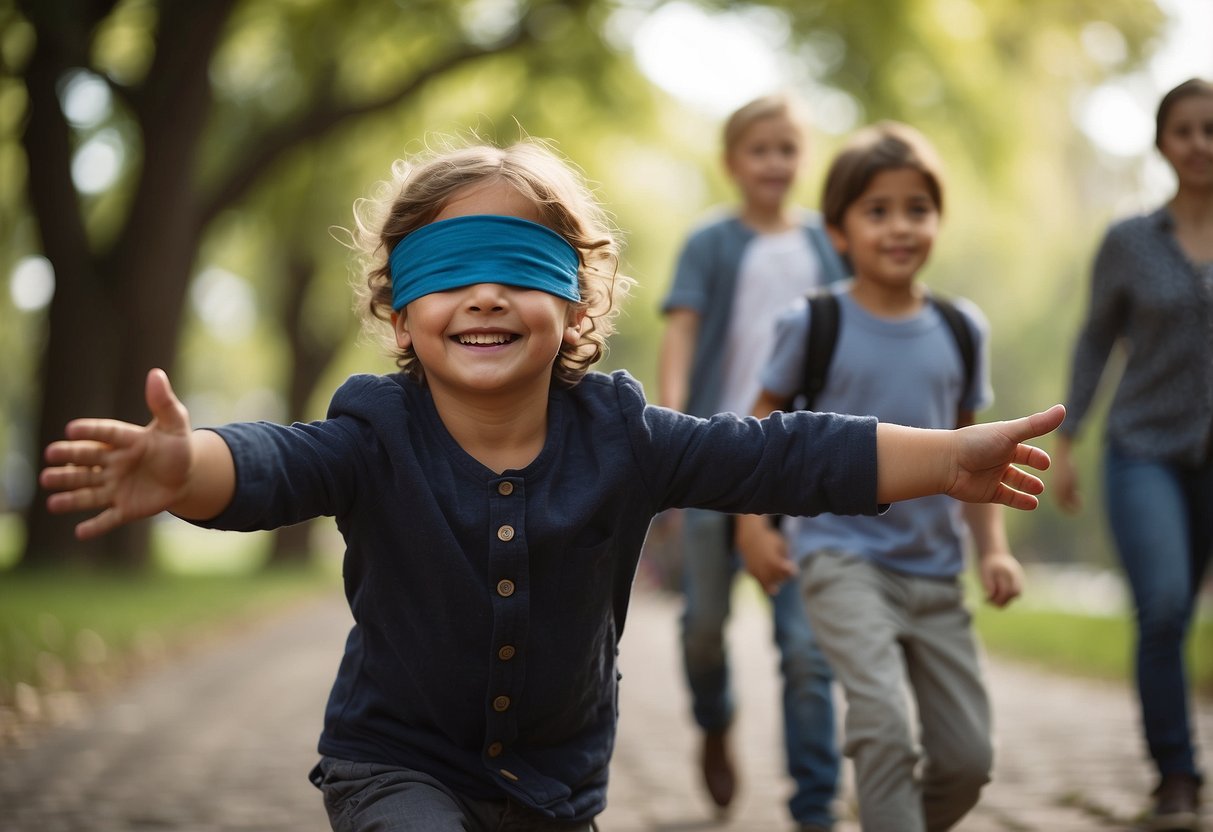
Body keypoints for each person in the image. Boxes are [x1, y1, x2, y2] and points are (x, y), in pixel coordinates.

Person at [40, 137, 1065, 832]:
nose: (485, 290)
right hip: (393, 760)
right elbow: (271, 466)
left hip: (555, 779)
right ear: (399, 314)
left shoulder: (621, 432)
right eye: (448, 270)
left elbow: (778, 454)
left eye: (522, 267)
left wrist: (948, 457)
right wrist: (186, 469)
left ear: (577, 308)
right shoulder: (374, 428)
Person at [736, 121, 1022, 832]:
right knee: (884, 727)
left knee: (967, 759)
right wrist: (750, 528)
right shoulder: (813, 322)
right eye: (876, 210)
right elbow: (758, 434)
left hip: (933, 569)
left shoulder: (961, 329)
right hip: (839, 555)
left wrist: (992, 548)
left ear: (937, 220)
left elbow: (973, 456)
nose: (899, 227)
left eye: (916, 209)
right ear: (837, 231)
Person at [658, 93, 848, 829]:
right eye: (759, 150)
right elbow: (680, 335)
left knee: (805, 647)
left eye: (787, 149)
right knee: (702, 628)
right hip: (713, 459)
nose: (774, 163)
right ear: (732, 162)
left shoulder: (827, 244)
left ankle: (814, 805)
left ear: (804, 159)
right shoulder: (710, 242)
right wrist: (669, 431)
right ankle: (715, 720)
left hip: (803, 464)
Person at [1053, 77, 1213, 831]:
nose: (1199, 144)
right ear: (1161, 143)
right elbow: (1093, 341)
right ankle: (1176, 775)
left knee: (1182, 617)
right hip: (1142, 445)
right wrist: (1067, 438)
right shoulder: (1127, 242)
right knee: (1163, 606)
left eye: (1211, 129)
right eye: (1184, 130)